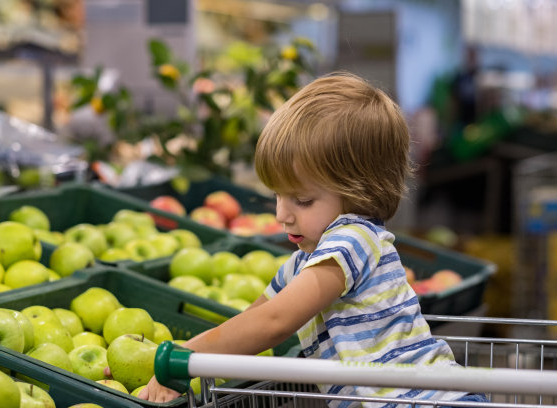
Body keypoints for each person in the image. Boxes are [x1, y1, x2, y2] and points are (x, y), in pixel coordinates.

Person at [138, 72, 488, 406]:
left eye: (302, 200)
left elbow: (273, 323)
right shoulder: (304, 261)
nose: (281, 215)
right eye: (277, 196)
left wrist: (183, 359)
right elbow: (253, 320)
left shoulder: (354, 240)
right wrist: (184, 354)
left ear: (360, 192)